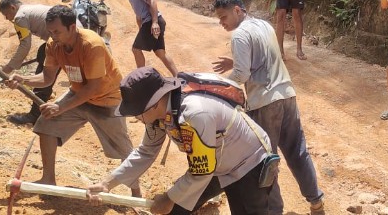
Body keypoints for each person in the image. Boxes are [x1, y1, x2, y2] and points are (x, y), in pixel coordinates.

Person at [86, 67, 272, 214]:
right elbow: (146, 152)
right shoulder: (158, 116)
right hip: (215, 162)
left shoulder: (195, 114)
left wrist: (169, 198)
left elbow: (202, 173)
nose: (135, 117)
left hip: (248, 163)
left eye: (137, 112)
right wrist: (106, 183)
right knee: (176, 210)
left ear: (155, 102)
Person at [4, 5, 140, 197]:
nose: (53, 36)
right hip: (78, 94)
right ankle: (48, 179)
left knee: (123, 148)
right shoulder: (54, 45)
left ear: (72, 28)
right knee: (46, 122)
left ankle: (136, 195)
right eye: (50, 31)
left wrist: (59, 106)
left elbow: (92, 88)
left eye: (57, 31)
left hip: (107, 99)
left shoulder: (92, 45)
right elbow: (48, 77)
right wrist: (23, 80)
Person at [211, 0, 325, 215]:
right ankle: (316, 202)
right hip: (287, 94)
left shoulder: (239, 35)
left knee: (266, 160)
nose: (221, 22)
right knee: (297, 151)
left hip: (264, 103)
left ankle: (275, 211)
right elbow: (265, 58)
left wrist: (217, 85)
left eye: (223, 17)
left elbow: (242, 75)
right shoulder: (264, 25)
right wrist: (235, 63)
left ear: (237, 10)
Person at [0, 0, 62, 125]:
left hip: (61, 42)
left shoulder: (20, 17)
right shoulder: (29, 9)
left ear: (12, 7)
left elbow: (25, 45)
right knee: (42, 52)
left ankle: (35, 115)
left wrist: (9, 67)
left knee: (43, 74)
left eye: (6, 14)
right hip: (69, 36)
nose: (7, 18)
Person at [108, 0, 179, 76]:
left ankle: (141, 78)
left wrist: (154, 23)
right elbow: (138, 14)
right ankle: (178, 77)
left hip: (152, 21)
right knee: (160, 52)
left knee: (136, 49)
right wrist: (141, 27)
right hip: (151, 22)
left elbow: (152, 2)